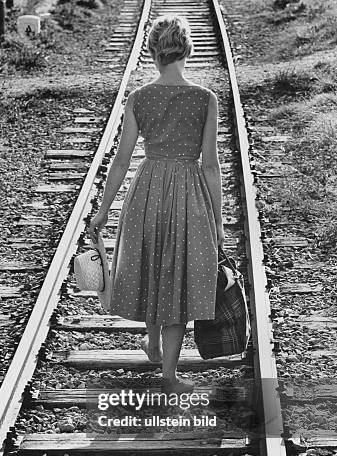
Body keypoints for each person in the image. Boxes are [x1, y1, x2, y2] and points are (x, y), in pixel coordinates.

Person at [89, 14, 224, 393]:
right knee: (179, 275)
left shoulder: (139, 98)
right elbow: (211, 165)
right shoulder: (205, 99)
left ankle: (151, 342)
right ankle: (169, 374)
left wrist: (102, 212)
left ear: (152, 52)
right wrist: (218, 221)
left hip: (147, 191)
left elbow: (120, 160)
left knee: (151, 263)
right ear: (188, 50)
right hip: (189, 194)